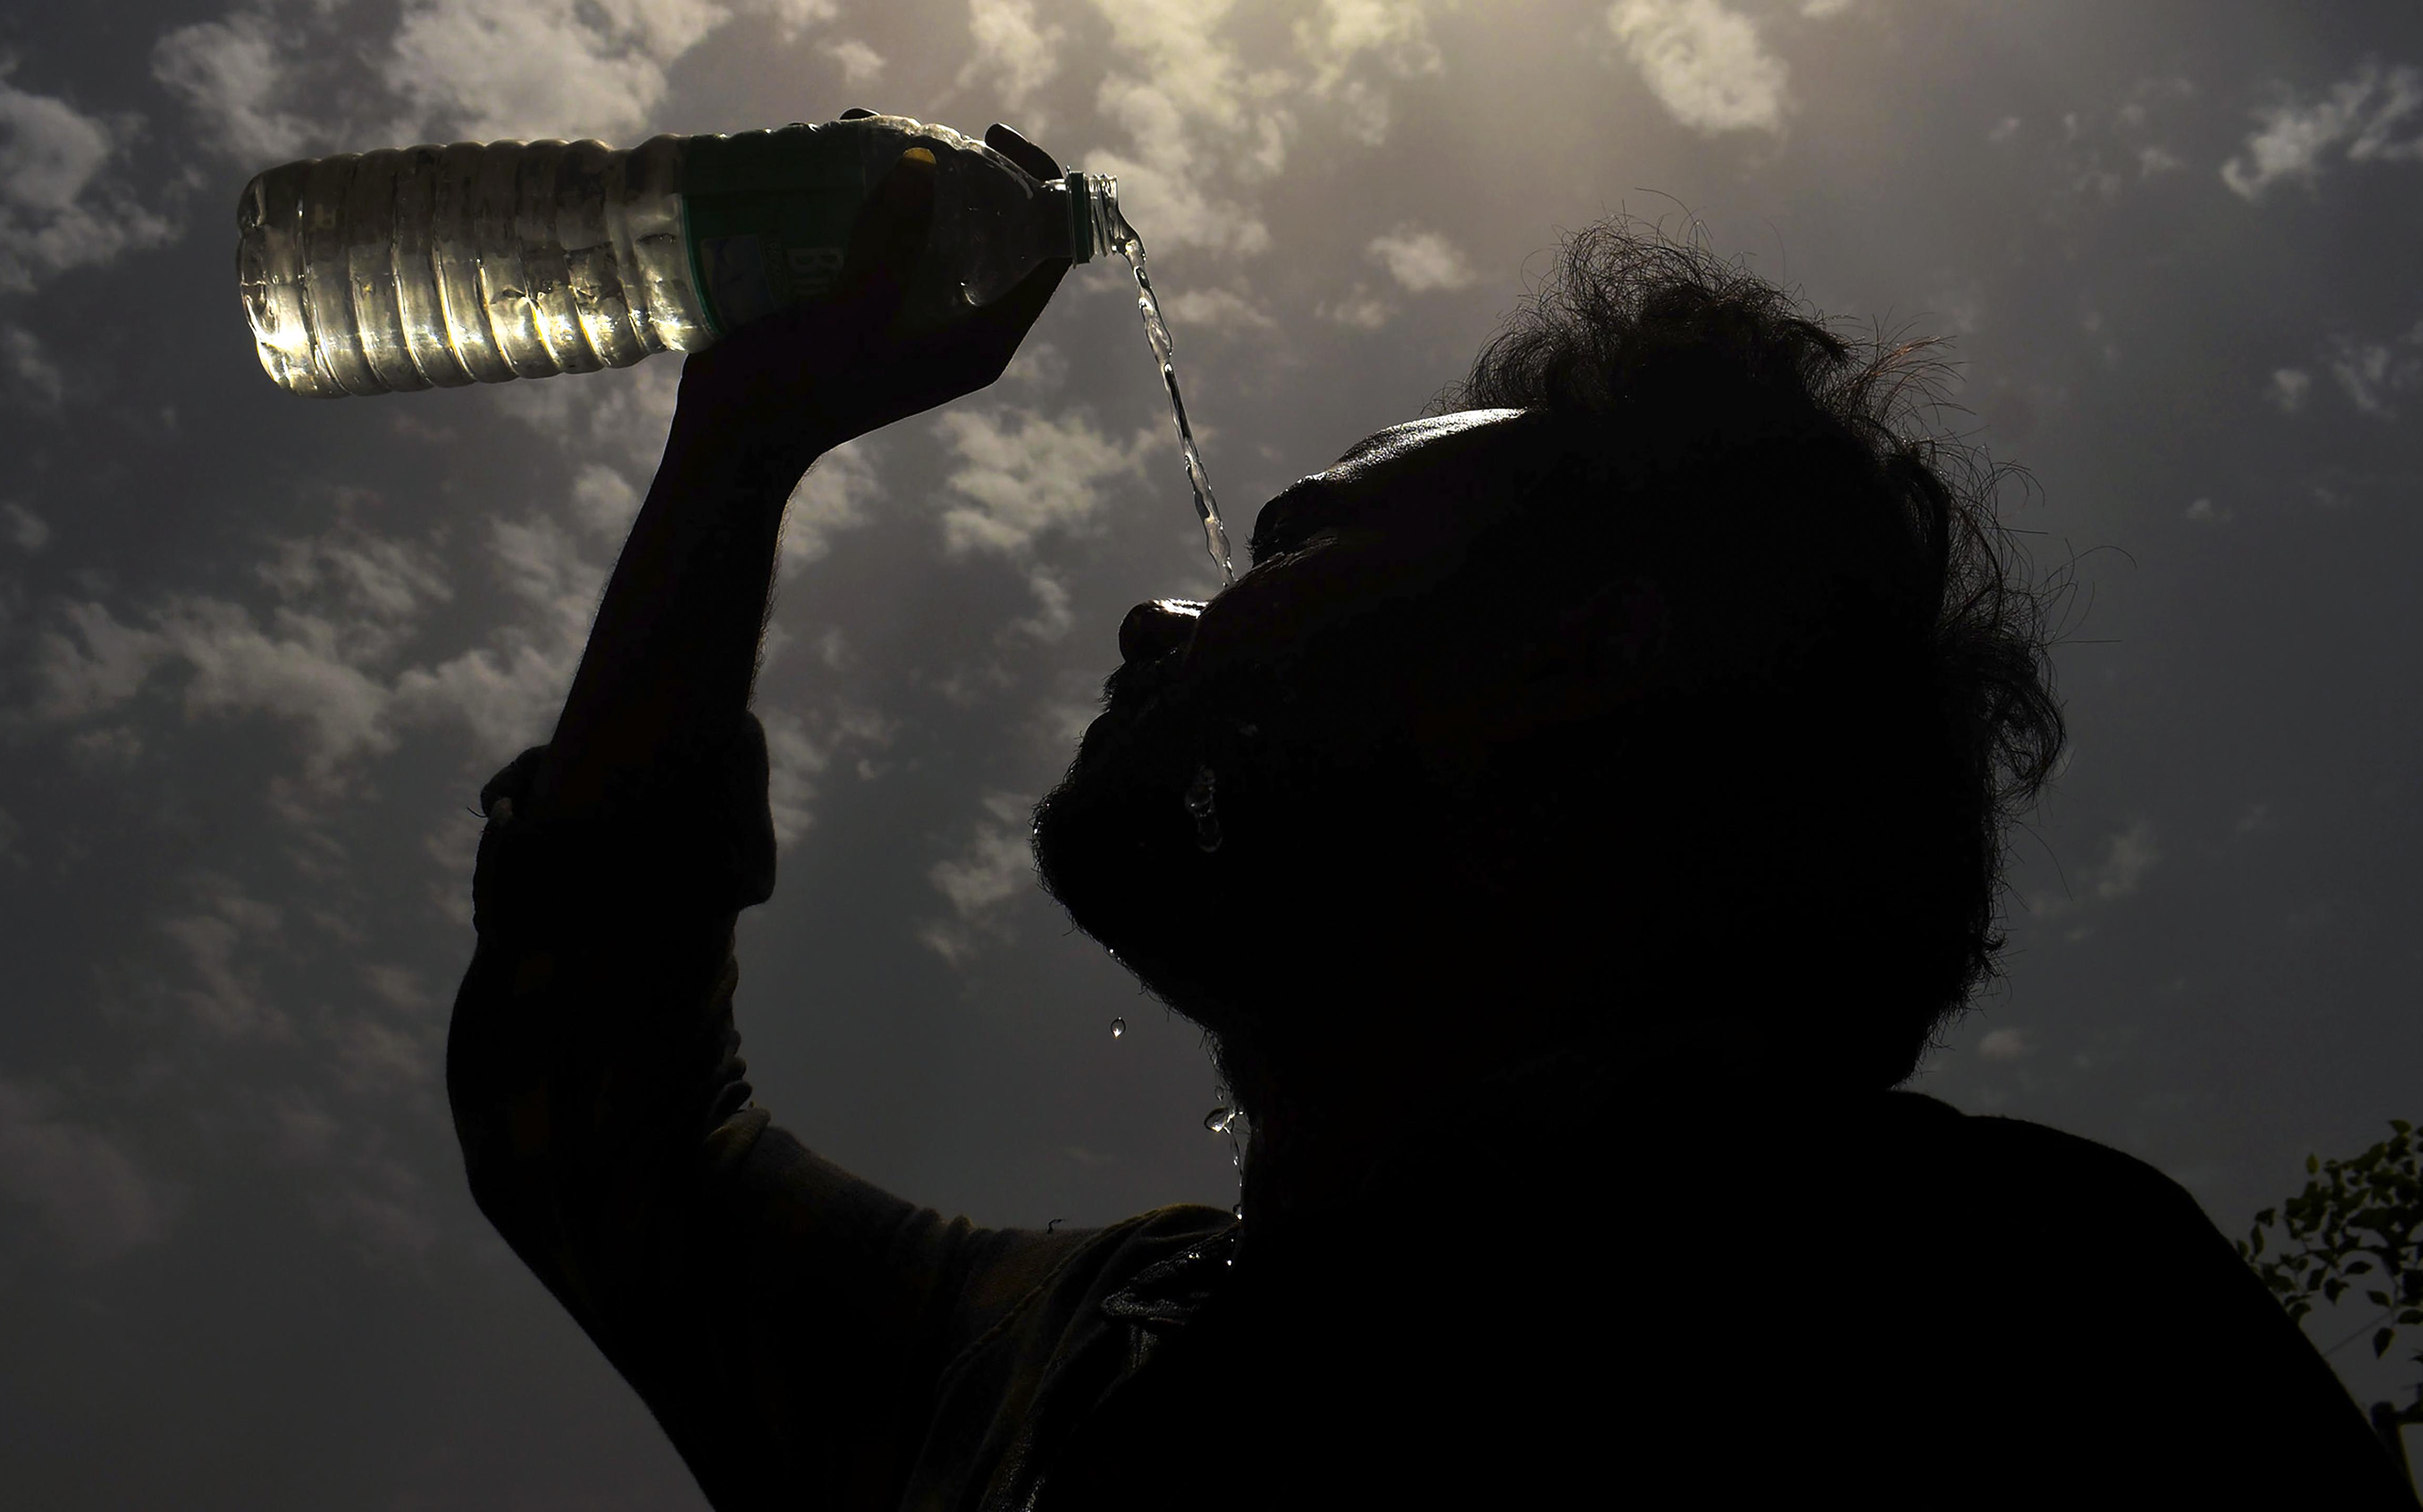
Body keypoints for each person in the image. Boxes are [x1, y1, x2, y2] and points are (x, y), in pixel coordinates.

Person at [446, 141, 2418, 1509]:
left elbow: (599, 1124)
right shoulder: (1072, 1353)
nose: (1161, 610)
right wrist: (742, 439)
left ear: (1590, 651)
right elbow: (597, 1112)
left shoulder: (2005, 1320)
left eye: (1297, 541)